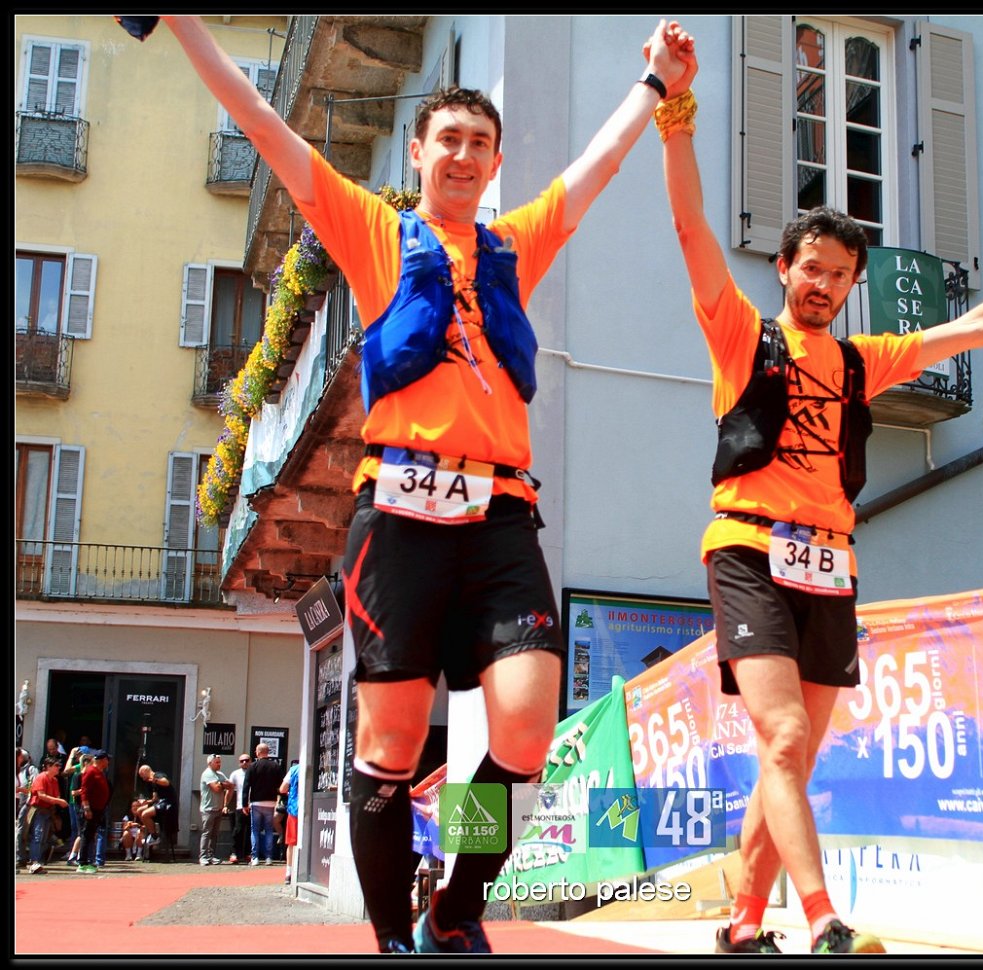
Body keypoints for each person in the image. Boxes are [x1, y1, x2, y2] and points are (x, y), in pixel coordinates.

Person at [160, 13, 694, 955]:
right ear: (418, 153)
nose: (463, 154)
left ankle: (455, 903)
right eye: (447, 138)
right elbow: (262, 123)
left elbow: (597, 169)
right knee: (390, 749)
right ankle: (392, 937)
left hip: (500, 517)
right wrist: (182, 23)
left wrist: (655, 84)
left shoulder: (513, 246)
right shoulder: (376, 232)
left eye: (480, 143)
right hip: (399, 522)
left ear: (495, 163)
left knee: (524, 734)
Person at [655, 35, 983, 956]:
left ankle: (741, 926)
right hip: (749, 548)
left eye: (841, 274)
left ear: (851, 284)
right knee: (783, 739)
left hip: (829, 565)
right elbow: (690, 231)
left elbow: (975, 327)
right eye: (812, 268)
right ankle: (823, 920)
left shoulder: (861, 361)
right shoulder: (741, 337)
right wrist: (675, 114)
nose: (825, 285)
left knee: (790, 759)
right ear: (785, 268)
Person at [240, 743, 285, 866]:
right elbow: (281, 785)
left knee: (255, 830)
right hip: (271, 802)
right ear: (267, 752)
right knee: (269, 830)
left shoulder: (252, 767)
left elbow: (246, 786)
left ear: (258, 752)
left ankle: (255, 857)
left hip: (256, 802)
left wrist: (244, 803)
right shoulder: (275, 766)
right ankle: (269, 857)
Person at [26, 756, 68, 874]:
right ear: (48, 767)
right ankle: (34, 861)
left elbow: (56, 795)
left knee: (45, 837)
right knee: (38, 836)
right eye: (56, 766)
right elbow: (41, 795)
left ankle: (39, 861)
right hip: (39, 810)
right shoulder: (41, 777)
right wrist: (58, 801)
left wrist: (57, 804)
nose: (58, 768)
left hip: (48, 811)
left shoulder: (54, 780)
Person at [77, 750, 112, 873]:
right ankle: (82, 863)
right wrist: (87, 808)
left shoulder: (100, 772)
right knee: (87, 834)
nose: (108, 762)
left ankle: (88, 861)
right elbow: (84, 790)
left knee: (91, 835)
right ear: (102, 760)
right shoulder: (91, 771)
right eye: (107, 759)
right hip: (91, 809)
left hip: (98, 809)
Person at [198, 753, 234, 866]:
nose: (219, 764)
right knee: (207, 833)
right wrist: (222, 785)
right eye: (217, 762)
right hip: (208, 809)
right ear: (210, 763)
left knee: (214, 834)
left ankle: (211, 855)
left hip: (218, 808)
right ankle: (203, 856)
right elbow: (216, 788)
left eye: (220, 762)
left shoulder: (219, 774)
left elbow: (231, 785)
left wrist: (221, 784)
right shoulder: (207, 774)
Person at [134, 763, 179, 850]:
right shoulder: (151, 784)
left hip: (167, 803)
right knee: (139, 810)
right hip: (159, 802)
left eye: (142, 775)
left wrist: (154, 780)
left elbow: (166, 782)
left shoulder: (158, 775)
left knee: (145, 814)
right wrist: (146, 802)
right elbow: (155, 798)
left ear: (145, 771)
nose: (142, 778)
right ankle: (150, 829)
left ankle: (154, 837)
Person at [65, 751, 93, 864]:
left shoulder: (90, 776)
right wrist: (84, 790)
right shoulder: (78, 775)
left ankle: (82, 856)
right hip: (79, 806)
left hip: (88, 806)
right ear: (86, 763)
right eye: (92, 763)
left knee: (86, 833)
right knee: (82, 833)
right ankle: (73, 856)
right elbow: (73, 792)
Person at [278, 759, 301, 887]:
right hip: (311, 809)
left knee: (291, 842)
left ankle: (289, 872)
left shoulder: (294, 770)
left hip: (294, 809)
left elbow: (282, 789)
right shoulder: (316, 767)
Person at [227, 752, 252, 863]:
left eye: (247, 760)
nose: (244, 762)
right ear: (239, 763)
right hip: (240, 806)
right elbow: (230, 790)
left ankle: (248, 853)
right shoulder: (235, 774)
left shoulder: (254, 772)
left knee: (250, 831)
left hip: (253, 806)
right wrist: (226, 805)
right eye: (242, 761)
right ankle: (235, 853)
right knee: (238, 830)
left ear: (250, 761)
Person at [15, 748, 37, 869]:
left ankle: (20, 858)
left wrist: (21, 790)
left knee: (21, 830)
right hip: (18, 802)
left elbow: (34, 787)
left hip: (26, 803)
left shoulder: (31, 769)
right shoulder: (17, 769)